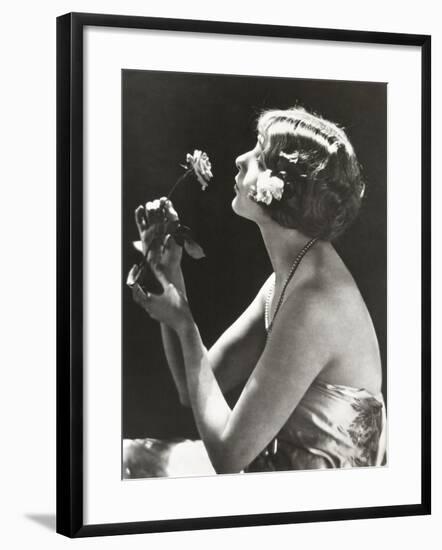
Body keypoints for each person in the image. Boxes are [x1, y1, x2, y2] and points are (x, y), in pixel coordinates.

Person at [124, 106, 386, 477]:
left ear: (287, 193)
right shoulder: (289, 275)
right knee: (124, 461)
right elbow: (191, 386)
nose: (239, 159)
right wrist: (170, 276)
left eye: (259, 157)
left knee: (129, 469)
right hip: (274, 475)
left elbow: (229, 458)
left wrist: (184, 323)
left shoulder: (315, 300)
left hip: (319, 505)